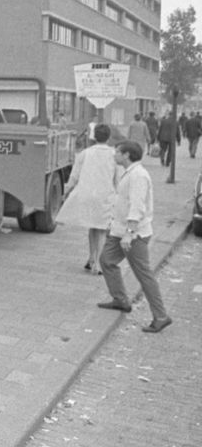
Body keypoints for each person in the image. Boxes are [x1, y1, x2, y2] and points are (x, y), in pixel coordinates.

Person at [96, 140, 171, 333]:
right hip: (119, 230)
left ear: (127, 155)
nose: (114, 155)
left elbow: (137, 206)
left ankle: (161, 316)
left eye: (117, 152)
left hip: (133, 234)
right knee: (106, 260)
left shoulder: (138, 176)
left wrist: (129, 234)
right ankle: (120, 299)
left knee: (143, 274)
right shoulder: (129, 173)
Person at [56, 123, 117, 273]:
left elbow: (74, 175)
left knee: (92, 227)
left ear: (94, 136)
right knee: (102, 229)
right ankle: (98, 263)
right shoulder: (114, 154)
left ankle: (91, 258)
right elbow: (118, 179)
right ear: (109, 137)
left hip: (87, 194)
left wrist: (67, 191)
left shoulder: (85, 153)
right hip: (105, 195)